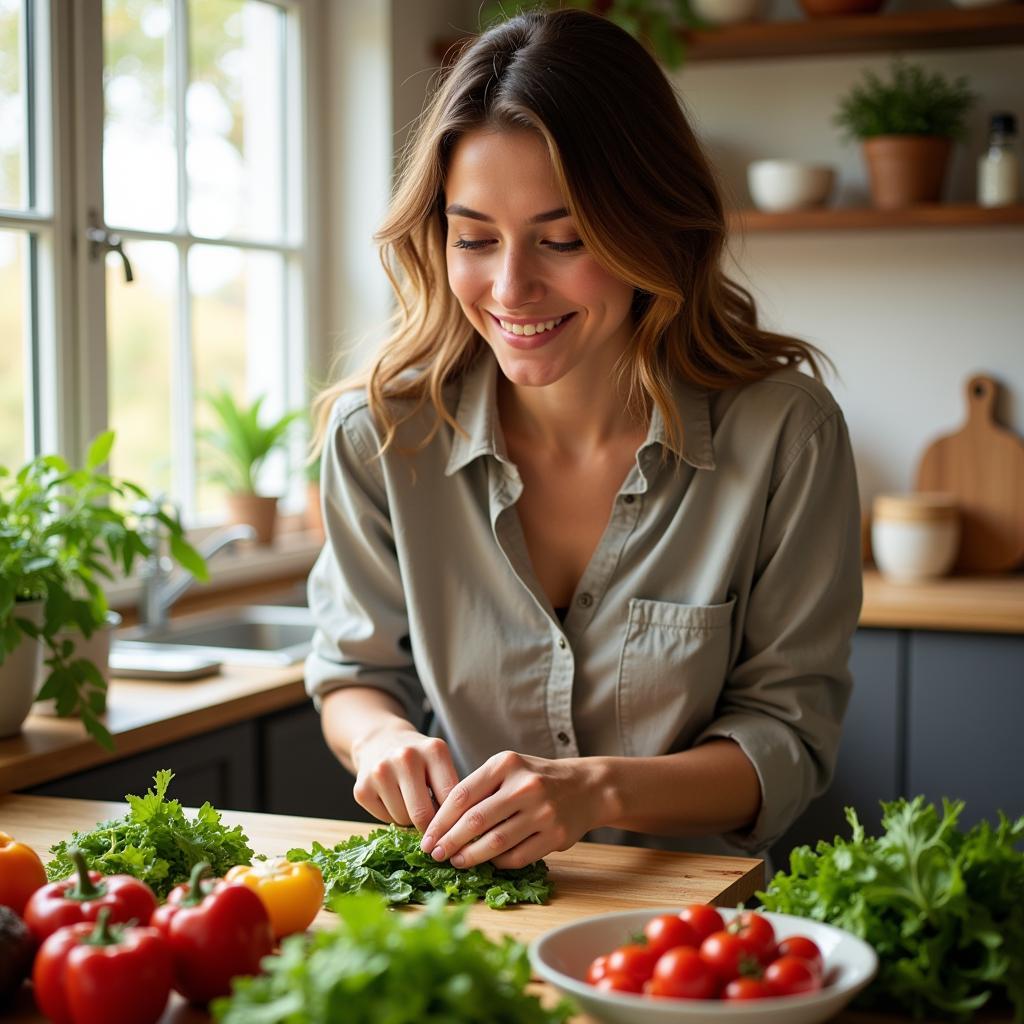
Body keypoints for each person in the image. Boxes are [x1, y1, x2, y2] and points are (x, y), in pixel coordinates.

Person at [305, 8, 862, 870]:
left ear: (651, 228)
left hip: (690, 940)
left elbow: (788, 740)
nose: (511, 286)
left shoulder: (788, 434)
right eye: (474, 238)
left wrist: (594, 791)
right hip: (471, 920)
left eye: (563, 239)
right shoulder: (379, 437)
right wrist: (380, 741)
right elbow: (352, 674)